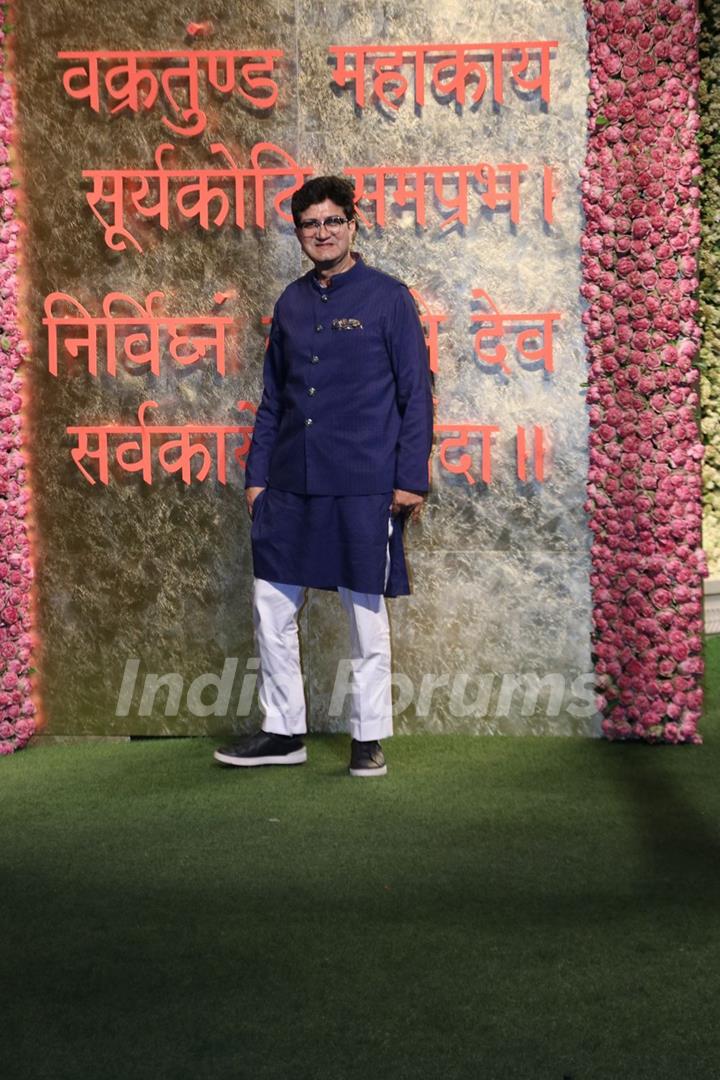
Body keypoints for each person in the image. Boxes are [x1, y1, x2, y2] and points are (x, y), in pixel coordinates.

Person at [213, 175, 433, 777]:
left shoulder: (388, 298)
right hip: (289, 483)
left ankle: (368, 737)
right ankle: (284, 732)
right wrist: (258, 478)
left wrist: (409, 478)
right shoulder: (291, 301)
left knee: (365, 613)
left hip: (364, 483)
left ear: (353, 224)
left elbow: (417, 395)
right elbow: (272, 399)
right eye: (311, 224)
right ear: (299, 233)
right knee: (270, 604)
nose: (323, 232)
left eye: (333, 220)